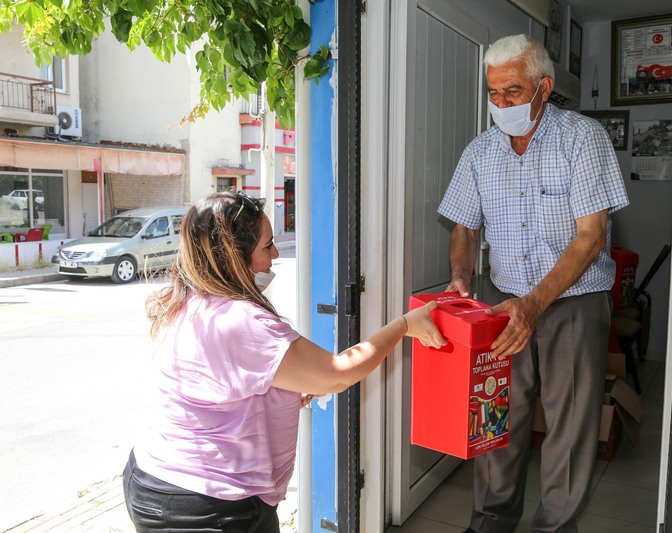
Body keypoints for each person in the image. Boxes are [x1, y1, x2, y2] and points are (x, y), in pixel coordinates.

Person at [122, 191, 446, 532]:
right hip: (208, 506)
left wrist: (289, 390)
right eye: (267, 246)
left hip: (154, 480)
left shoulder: (190, 301)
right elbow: (339, 374)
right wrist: (405, 324)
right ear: (234, 255)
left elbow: (223, 388)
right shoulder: (239, 320)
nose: (275, 254)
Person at [437, 35, 628, 533]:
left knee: (569, 426)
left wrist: (536, 303)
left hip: (573, 300)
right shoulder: (480, 152)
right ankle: (491, 522)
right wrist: (460, 278)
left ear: (544, 88)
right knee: (497, 416)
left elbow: (592, 235)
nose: (500, 104)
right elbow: (464, 225)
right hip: (503, 301)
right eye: (493, 93)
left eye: (513, 92)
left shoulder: (583, 139)